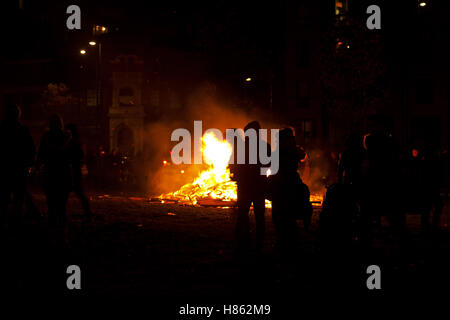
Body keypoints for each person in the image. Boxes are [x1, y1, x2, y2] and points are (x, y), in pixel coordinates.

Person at [232, 121, 268, 256]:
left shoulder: (241, 147)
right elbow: (270, 164)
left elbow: (233, 166)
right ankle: (258, 246)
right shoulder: (265, 146)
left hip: (246, 187)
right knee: (259, 217)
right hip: (259, 187)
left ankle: (243, 243)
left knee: (242, 215)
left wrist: (237, 175)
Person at [0, 103, 35, 226]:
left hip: (5, 169)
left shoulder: (2, 128)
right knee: (18, 200)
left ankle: (4, 224)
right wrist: (29, 163)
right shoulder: (23, 130)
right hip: (19, 169)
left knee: (4, 199)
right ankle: (15, 224)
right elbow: (31, 149)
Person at [270, 128, 303, 257]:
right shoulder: (287, 151)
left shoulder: (288, 152)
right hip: (282, 187)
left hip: (285, 188)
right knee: (281, 218)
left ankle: (288, 245)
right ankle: (286, 244)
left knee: (285, 217)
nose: (279, 141)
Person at [37, 114, 72, 230]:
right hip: (63, 173)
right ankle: (62, 233)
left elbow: (41, 156)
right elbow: (73, 155)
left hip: (50, 172)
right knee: (62, 206)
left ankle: (52, 231)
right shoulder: (67, 136)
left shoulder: (46, 137)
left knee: (51, 204)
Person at [66, 123, 92, 221]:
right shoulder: (75, 142)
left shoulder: (75, 143)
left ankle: (88, 212)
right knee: (78, 192)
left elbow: (80, 156)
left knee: (79, 192)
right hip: (73, 170)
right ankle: (87, 211)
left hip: (75, 170)